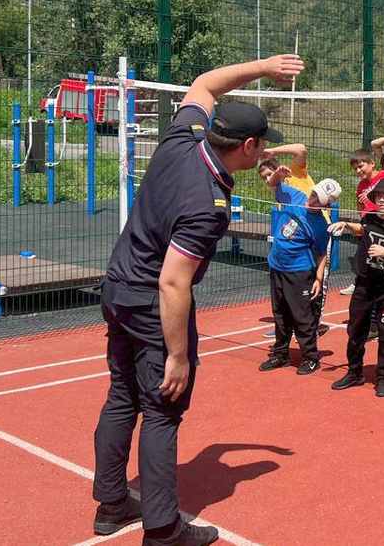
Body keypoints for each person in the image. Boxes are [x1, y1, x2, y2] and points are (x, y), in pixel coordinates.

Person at [93, 54, 303, 546]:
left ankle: (111, 504)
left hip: (117, 287)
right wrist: (180, 356)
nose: (265, 154)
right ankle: (163, 530)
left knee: (122, 395)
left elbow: (205, 83)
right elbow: (173, 283)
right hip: (151, 300)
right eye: (262, 147)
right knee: (163, 410)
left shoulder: (181, 139)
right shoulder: (208, 204)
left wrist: (266, 66)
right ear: (248, 146)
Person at [326, 178, 384, 397]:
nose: (382, 200)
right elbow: (362, 229)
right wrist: (346, 225)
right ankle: (354, 372)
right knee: (356, 330)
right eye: (379, 196)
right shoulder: (370, 218)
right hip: (364, 286)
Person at [257, 161, 339, 375]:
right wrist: (277, 174)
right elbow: (274, 186)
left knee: (302, 316)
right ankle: (280, 354)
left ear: (326, 205)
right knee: (280, 313)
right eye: (313, 195)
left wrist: (318, 279)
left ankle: (310, 357)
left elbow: (322, 253)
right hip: (277, 266)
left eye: (318, 200)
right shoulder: (295, 196)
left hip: (300, 271)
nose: (312, 201)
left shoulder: (321, 224)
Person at [337, 148, 384, 297]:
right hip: (369, 224)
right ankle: (360, 281)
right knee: (365, 255)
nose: (358, 171)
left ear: (372, 163)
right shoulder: (361, 186)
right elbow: (361, 208)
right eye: (355, 169)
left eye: (361, 166)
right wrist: (361, 210)